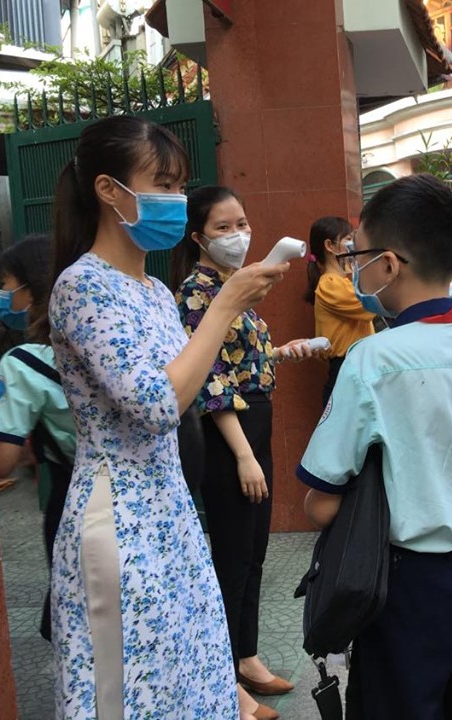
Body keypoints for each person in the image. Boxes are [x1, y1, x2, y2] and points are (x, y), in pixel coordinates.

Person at [46, 115, 289, 720]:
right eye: (162, 183)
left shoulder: (155, 293)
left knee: (190, 671)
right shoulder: (81, 288)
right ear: (109, 190)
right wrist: (225, 306)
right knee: (128, 691)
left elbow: (192, 384)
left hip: (171, 509)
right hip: (118, 514)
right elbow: (157, 405)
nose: (176, 201)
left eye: (180, 186)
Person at [298, 174, 452, 719]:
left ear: (390, 263)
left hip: (401, 587)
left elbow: (321, 502)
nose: (353, 266)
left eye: (358, 254)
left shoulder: (371, 362)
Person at [171, 185, 319, 720]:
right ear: (197, 237)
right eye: (223, 228)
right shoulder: (197, 292)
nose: (238, 235)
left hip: (254, 420)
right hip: (226, 433)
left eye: (242, 223)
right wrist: (242, 454)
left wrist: (282, 352)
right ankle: (223, 678)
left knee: (254, 551)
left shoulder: (237, 287)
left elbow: (240, 361)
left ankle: (245, 657)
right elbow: (209, 379)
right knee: (231, 557)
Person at [0, 234, 75, 642]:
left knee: (75, 618)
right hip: (141, 494)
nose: (4, 295)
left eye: (5, 284)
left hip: (74, 499)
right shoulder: (94, 335)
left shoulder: (20, 363)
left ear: (29, 286)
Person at [304, 215, 375, 407]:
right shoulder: (329, 284)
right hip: (344, 369)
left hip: (355, 367)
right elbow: (368, 306)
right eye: (348, 239)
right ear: (330, 245)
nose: (353, 244)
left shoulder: (343, 281)